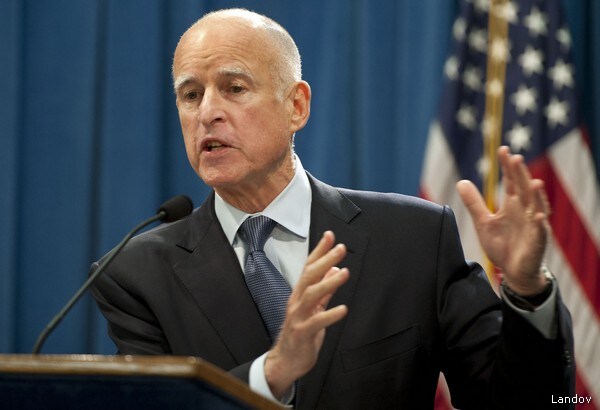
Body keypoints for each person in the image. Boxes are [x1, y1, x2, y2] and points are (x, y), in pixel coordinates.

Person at [91, 8, 574, 409]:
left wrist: (527, 288)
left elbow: (529, 403)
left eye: (234, 88)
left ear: (296, 106)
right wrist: (272, 374)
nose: (207, 113)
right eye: (191, 95)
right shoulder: (137, 275)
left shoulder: (414, 239)